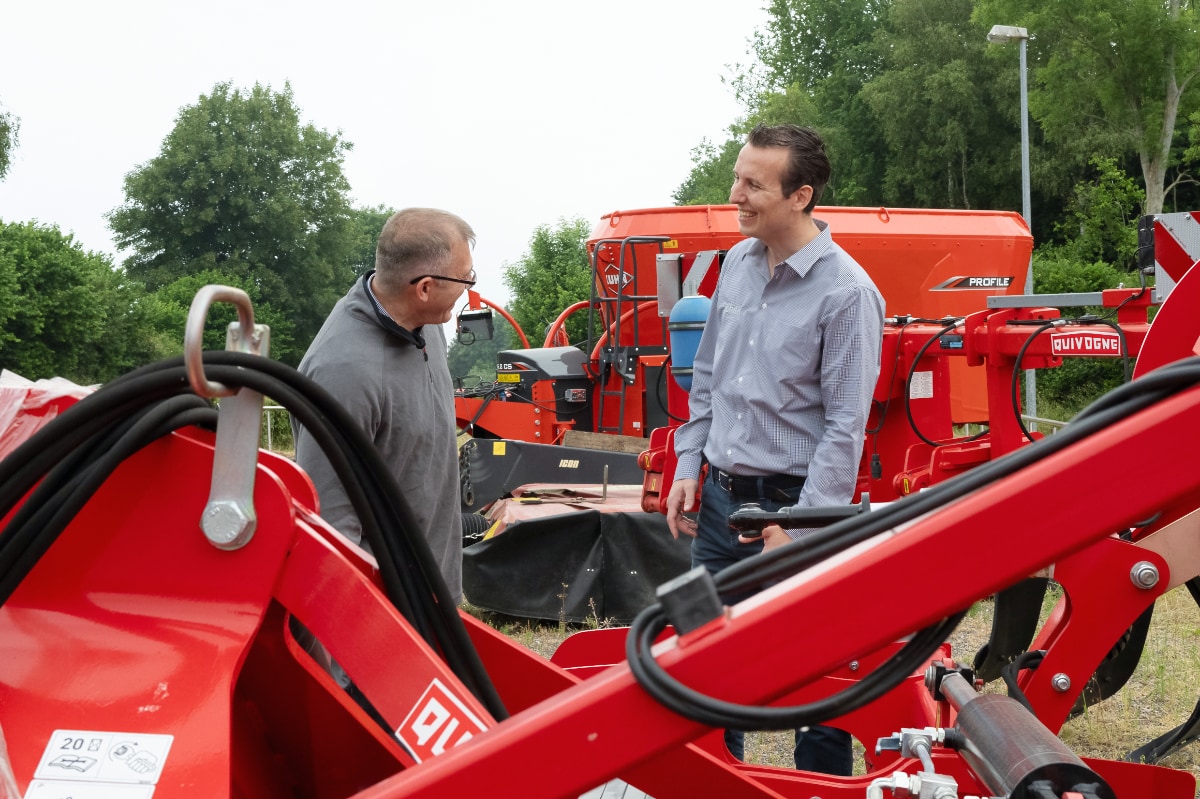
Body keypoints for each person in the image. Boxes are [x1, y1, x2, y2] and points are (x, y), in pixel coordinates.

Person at [663, 124, 885, 774]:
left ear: (801, 195)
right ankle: (715, 786)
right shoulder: (735, 264)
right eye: (739, 176)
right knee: (703, 664)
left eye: (753, 183)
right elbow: (707, 375)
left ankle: (819, 789)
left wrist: (804, 528)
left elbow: (846, 427)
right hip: (721, 505)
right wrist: (687, 463)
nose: (735, 193)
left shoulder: (848, 294)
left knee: (814, 679)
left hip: (793, 511)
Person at [293, 207, 475, 603]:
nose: (469, 288)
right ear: (425, 287)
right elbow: (330, 527)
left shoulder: (426, 324)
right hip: (381, 612)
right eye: (465, 278)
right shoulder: (344, 372)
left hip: (432, 594)